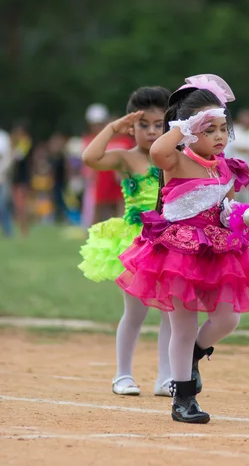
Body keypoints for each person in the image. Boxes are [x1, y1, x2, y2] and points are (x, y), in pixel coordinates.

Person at [117, 74, 249, 424]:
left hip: (217, 251)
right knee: (183, 327)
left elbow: (227, 208)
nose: (219, 137)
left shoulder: (226, 169)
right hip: (177, 253)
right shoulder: (175, 159)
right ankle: (182, 398)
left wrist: (243, 214)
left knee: (227, 318)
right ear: (189, 131)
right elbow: (157, 150)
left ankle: (191, 359)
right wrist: (184, 127)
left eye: (222, 128)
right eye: (209, 130)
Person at [79, 87, 172, 397]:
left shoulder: (175, 158)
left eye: (158, 124)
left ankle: (166, 377)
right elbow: (90, 158)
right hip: (136, 243)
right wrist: (112, 128)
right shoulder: (125, 158)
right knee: (135, 313)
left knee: (171, 312)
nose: (150, 131)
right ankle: (122, 375)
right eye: (143, 125)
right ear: (131, 127)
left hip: (171, 242)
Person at [11, 122, 33, 236]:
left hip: (22, 179)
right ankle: (22, 229)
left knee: (21, 206)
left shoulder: (25, 142)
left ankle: (24, 230)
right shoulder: (20, 143)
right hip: (17, 178)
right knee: (18, 206)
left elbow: (18, 156)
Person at [0, 128, 13, 237]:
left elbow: (7, 158)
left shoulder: (3, 137)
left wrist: (2, 172)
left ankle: (8, 230)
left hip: (2, 176)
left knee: (2, 205)